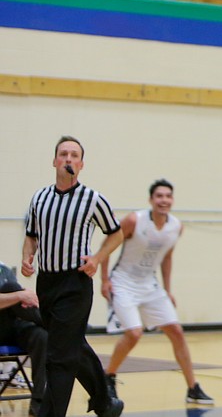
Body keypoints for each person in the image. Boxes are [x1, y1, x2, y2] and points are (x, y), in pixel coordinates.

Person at [21, 136, 125, 417]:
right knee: (72, 344)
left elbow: (116, 234)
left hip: (75, 283)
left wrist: (97, 259)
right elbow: (31, 236)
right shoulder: (39, 198)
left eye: (74, 155)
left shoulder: (93, 199)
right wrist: (26, 257)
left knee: (59, 356)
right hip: (47, 282)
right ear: (54, 161)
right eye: (63, 154)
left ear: (81, 164)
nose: (68, 159)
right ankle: (105, 401)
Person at [100, 180, 213, 406]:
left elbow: (167, 258)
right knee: (134, 333)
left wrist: (168, 290)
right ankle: (108, 376)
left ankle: (192, 387)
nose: (164, 200)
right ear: (151, 200)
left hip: (149, 285)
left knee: (177, 331)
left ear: (172, 200)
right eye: (159, 196)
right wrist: (104, 279)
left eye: (168, 196)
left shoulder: (176, 227)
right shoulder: (135, 220)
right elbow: (108, 243)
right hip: (123, 282)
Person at [0, 262, 46, 417]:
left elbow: (19, 302)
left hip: (14, 324)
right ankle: (54, 323)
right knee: (10, 287)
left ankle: (38, 402)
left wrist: (25, 296)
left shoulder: (4, 268)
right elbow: (15, 295)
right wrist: (19, 295)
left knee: (41, 337)